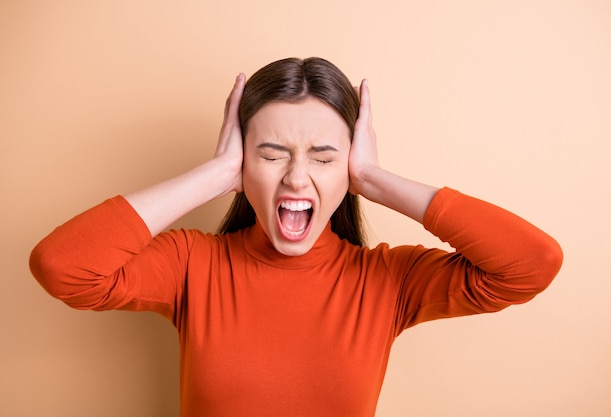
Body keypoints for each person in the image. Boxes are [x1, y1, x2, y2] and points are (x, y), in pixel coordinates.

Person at [30, 57, 563, 417]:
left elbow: (531, 263)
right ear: (242, 164)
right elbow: (62, 266)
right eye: (270, 154)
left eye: (325, 157)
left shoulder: (387, 281)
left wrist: (376, 180)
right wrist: (213, 174)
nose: (295, 177)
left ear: (349, 169)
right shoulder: (192, 263)